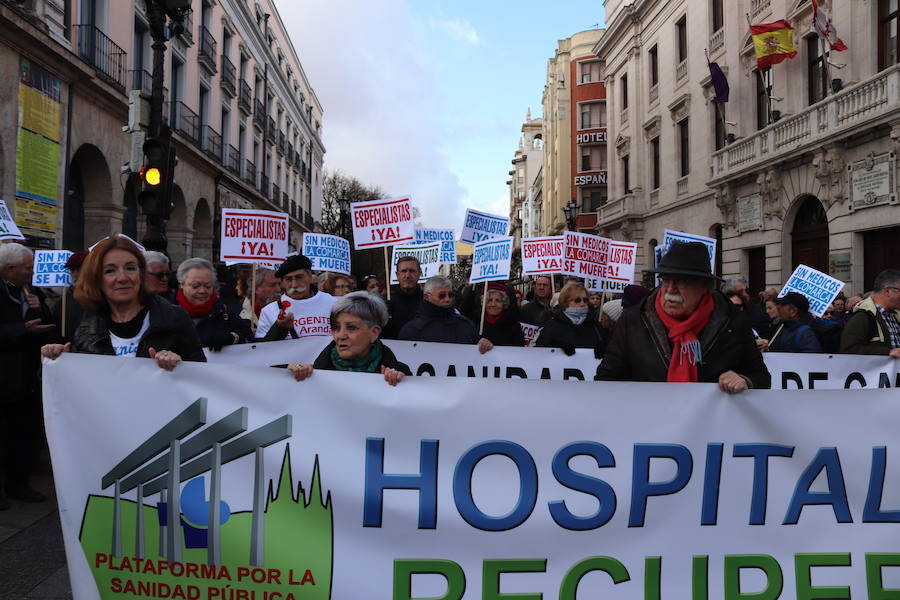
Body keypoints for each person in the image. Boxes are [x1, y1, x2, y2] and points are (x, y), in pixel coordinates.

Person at [597, 241, 771, 392]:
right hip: (649, 425)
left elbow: (761, 377)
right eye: (666, 280)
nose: (671, 289)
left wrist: (744, 381)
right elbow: (606, 380)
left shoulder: (732, 321)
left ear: (705, 286)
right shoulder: (633, 321)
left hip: (712, 427)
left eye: (682, 281)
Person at [41, 235, 206, 370]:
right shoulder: (79, 320)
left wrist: (181, 366)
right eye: (110, 271)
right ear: (96, 278)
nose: (122, 278)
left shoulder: (174, 318)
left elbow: (201, 380)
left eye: (130, 268)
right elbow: (62, 391)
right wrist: (53, 360)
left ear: (141, 274)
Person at [1, 243, 55, 507]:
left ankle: (19, 484)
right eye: (27, 267)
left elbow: (44, 325)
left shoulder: (31, 290)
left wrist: (38, 309)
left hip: (25, 378)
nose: (32, 272)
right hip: (3, 376)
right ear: (9, 269)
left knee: (24, 435)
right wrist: (21, 329)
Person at [288, 291, 411, 386]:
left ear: (374, 333)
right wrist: (292, 376)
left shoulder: (400, 373)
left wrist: (401, 385)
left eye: (351, 328)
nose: (340, 335)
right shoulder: (315, 373)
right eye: (336, 327)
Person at [175, 258, 252, 350]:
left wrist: (231, 337)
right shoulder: (167, 311)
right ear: (181, 285)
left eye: (208, 286)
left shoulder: (223, 311)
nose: (202, 291)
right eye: (195, 286)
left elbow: (248, 336)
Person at [256, 254, 336, 341]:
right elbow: (262, 349)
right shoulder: (270, 311)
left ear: (310, 277)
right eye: (288, 279)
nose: (294, 285)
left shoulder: (332, 303)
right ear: (282, 282)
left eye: (299, 277)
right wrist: (279, 328)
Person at [398, 276, 478, 344]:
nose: (447, 299)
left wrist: (483, 344)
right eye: (442, 295)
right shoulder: (413, 329)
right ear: (427, 297)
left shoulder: (466, 325)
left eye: (450, 295)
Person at [535, 281, 607, 357]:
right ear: (565, 302)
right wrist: (556, 348)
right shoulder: (551, 326)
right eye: (577, 300)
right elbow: (539, 355)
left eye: (585, 300)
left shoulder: (596, 327)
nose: (582, 304)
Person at [840, 269, 900, 357]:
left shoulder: (895, 316)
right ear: (888, 291)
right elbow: (848, 350)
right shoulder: (862, 317)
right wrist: (888, 352)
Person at [475, 284, 525, 353]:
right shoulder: (475, 324)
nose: (493, 304)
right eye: (489, 300)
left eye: (498, 301)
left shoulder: (514, 327)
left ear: (504, 303)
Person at [382, 257, 424, 338]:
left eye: (412, 271)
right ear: (397, 275)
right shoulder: (386, 300)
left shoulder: (427, 300)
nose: (407, 275)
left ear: (419, 274)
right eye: (404, 271)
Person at [52, 250, 88, 341]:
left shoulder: (103, 298)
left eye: (80, 269)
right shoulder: (62, 302)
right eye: (72, 270)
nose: (75, 274)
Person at [239, 267, 282, 334]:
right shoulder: (243, 319)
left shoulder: (289, 308)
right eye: (272, 285)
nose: (278, 289)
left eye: (279, 284)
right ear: (256, 289)